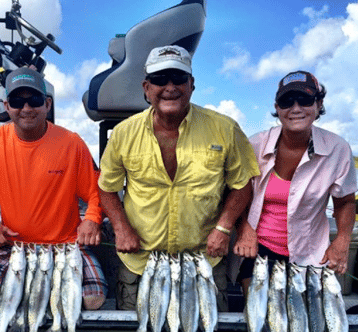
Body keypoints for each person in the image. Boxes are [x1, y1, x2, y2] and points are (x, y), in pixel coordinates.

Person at [98, 45, 260, 311]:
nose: (170, 87)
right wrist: (121, 228)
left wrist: (224, 228)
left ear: (191, 84)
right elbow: (107, 188)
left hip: (203, 262)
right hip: (141, 262)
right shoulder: (124, 133)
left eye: (179, 79)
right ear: (146, 88)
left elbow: (242, 184)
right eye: (160, 80)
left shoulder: (225, 128)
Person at [0, 66, 107, 310]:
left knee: (93, 301)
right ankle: (32, 293)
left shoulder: (72, 142)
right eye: (18, 101)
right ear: (6, 105)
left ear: (47, 104)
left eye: (34, 100)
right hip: (15, 246)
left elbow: (96, 191)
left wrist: (92, 219)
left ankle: (31, 293)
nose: (27, 108)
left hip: (68, 245)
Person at [233, 71, 356, 294]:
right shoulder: (255, 145)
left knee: (306, 322)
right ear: (277, 108)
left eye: (306, 100)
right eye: (287, 102)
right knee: (261, 317)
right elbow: (237, 194)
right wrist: (244, 230)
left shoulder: (338, 149)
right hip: (259, 251)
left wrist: (342, 241)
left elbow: (345, 201)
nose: (296, 108)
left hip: (309, 253)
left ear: (319, 104)